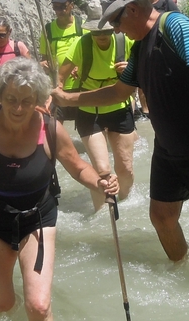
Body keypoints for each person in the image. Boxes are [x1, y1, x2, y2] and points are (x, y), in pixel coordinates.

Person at [52, 0, 189, 294]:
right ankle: (187, 272)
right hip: (169, 147)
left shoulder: (175, 26)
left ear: (132, 9)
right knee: (161, 217)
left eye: (116, 22)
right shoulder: (140, 47)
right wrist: (68, 99)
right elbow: (119, 91)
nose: (117, 30)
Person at [0, 57, 118, 321]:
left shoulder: (51, 129)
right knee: (0, 305)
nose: (18, 108)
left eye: (27, 101)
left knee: (39, 306)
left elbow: (77, 166)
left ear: (38, 100)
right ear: (0, 96)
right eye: (11, 99)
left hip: (38, 217)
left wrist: (101, 182)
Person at [58, 19, 137, 211]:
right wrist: (56, 94)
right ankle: (101, 212)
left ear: (114, 28)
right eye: (95, 32)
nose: (101, 36)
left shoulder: (126, 41)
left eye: (106, 31)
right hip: (89, 111)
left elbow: (147, 69)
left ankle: (126, 204)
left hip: (120, 108)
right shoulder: (82, 44)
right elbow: (60, 76)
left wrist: (131, 68)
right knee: (102, 169)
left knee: (125, 168)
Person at [38, 0, 83, 121]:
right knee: (55, 125)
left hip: (81, 85)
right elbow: (44, 58)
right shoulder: (48, 30)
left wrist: (81, 67)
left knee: (85, 128)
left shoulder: (83, 26)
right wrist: (43, 65)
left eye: (63, 6)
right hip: (58, 87)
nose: (59, 10)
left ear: (72, 6)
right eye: (55, 7)